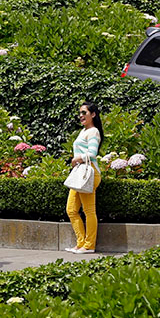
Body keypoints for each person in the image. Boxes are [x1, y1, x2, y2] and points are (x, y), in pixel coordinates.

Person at [65, 101, 103, 254]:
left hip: (89, 172)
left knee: (88, 210)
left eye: (84, 113)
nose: (81, 116)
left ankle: (89, 245)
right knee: (71, 209)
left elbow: (93, 153)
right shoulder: (83, 131)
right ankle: (81, 243)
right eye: (80, 113)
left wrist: (76, 159)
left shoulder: (93, 131)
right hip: (80, 173)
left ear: (93, 114)